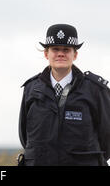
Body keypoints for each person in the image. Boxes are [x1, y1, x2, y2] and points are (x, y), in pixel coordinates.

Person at [18, 24, 110, 166]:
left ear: (75, 54)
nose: (61, 54)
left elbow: (107, 138)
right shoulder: (31, 89)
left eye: (66, 50)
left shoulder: (95, 90)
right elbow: (26, 138)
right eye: (55, 49)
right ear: (46, 53)